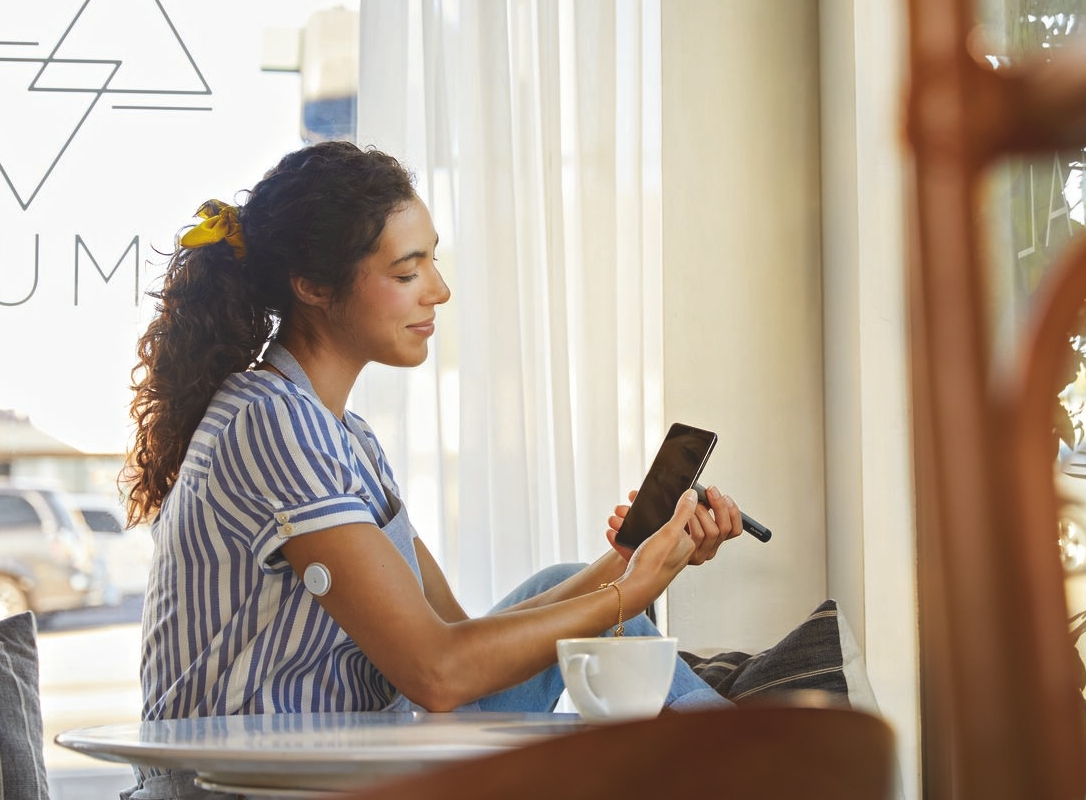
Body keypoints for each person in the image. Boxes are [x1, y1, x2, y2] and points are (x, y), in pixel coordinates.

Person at [120, 140, 743, 799]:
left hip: (343, 768)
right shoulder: (271, 421)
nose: (439, 291)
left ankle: (767, 767)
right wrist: (631, 591)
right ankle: (779, 767)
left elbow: (455, 641)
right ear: (313, 286)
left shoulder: (343, 437)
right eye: (407, 272)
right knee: (610, 623)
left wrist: (627, 563)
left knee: (578, 587)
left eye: (432, 262)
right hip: (247, 788)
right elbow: (436, 674)